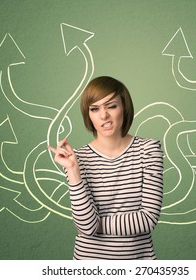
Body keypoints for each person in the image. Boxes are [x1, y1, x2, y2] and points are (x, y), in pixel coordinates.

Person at [48, 76, 163, 260]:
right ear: (89, 115)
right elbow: (85, 227)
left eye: (111, 106)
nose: (104, 116)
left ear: (124, 107)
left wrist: (96, 225)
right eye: (95, 109)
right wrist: (74, 171)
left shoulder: (148, 150)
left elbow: (147, 219)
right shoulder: (77, 159)